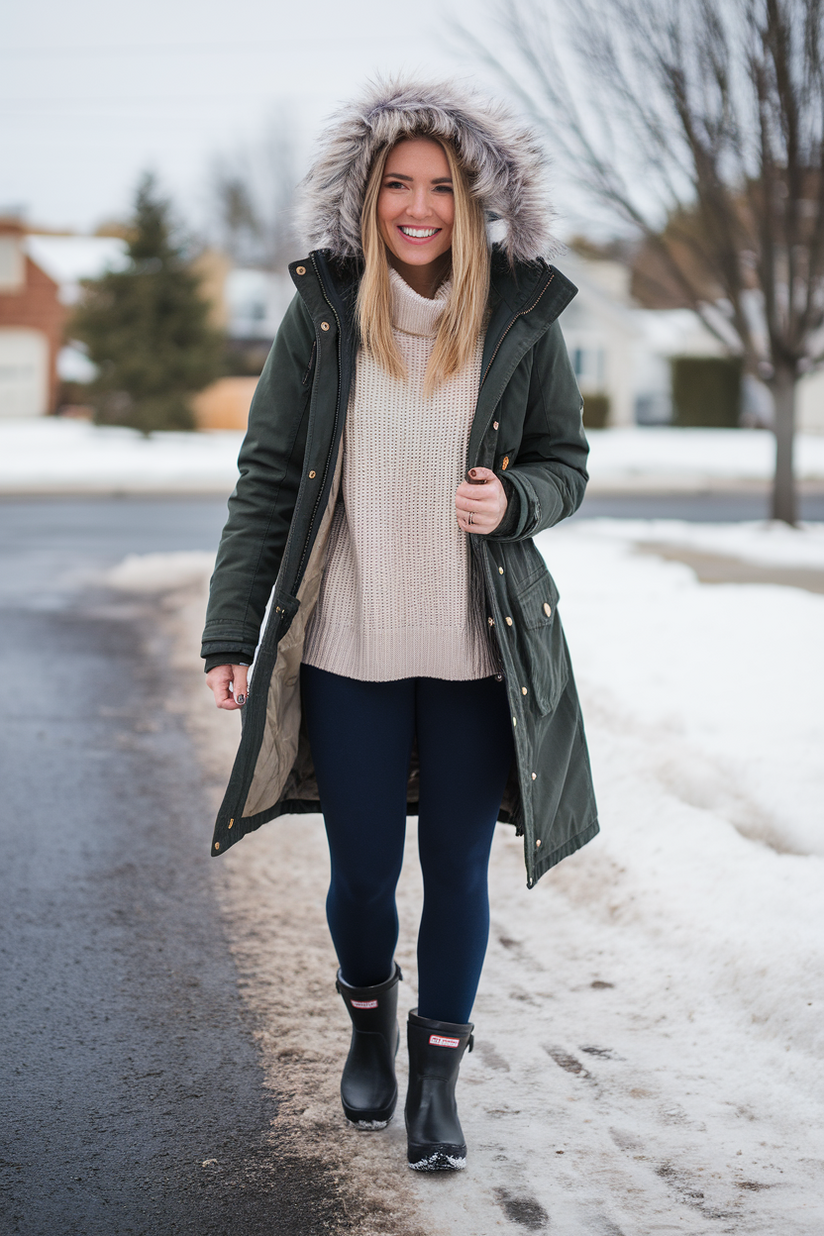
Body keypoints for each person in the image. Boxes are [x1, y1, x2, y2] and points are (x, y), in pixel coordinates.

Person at [202, 78, 599, 1173]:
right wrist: (230, 635)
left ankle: (436, 1073)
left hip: (479, 660)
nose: (418, 206)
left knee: (458, 873)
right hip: (350, 650)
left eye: (440, 186)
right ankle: (368, 1017)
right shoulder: (325, 311)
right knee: (365, 876)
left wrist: (514, 502)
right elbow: (268, 478)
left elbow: (565, 464)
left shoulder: (520, 312)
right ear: (365, 196)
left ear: (474, 201)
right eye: (397, 185)